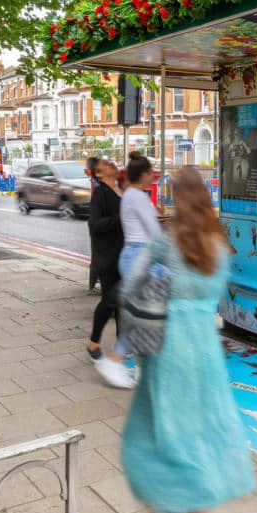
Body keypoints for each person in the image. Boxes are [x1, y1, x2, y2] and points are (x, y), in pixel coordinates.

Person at [121, 167, 256, 513]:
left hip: (166, 350)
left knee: (150, 435)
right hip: (205, 352)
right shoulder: (220, 245)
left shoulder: (165, 242)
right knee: (201, 437)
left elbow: (130, 285)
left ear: (176, 199)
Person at [87, 158, 135, 388]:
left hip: (123, 256)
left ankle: (120, 349)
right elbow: (95, 225)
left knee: (121, 303)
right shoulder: (100, 194)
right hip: (107, 258)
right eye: (108, 164)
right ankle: (94, 343)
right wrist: (120, 219)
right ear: (99, 174)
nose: (113, 165)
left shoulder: (120, 190)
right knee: (109, 302)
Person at [118, 152, 163, 277]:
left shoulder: (128, 194)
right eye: (151, 172)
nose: (153, 175)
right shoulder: (139, 196)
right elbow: (154, 231)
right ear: (143, 175)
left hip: (130, 253)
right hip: (140, 255)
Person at [85, 156, 100, 293]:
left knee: (96, 253)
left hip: (95, 221)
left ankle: (94, 279)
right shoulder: (98, 183)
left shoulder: (95, 182)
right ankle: (95, 278)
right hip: (98, 223)